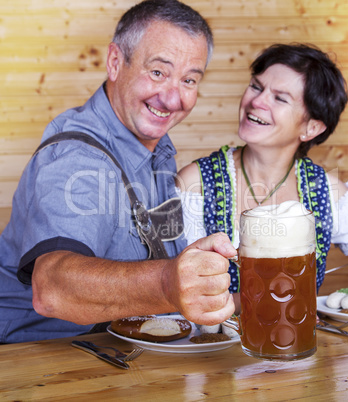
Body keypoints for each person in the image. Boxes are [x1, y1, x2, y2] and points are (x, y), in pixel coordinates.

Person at [0, 0, 237, 344]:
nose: (173, 98)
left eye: (188, 79)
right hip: (41, 363)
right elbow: (51, 288)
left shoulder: (155, 147)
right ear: (115, 62)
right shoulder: (78, 157)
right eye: (158, 72)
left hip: (124, 356)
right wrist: (167, 283)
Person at [176, 43, 348, 305]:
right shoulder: (196, 183)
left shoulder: (327, 192)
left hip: (295, 344)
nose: (257, 101)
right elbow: (174, 294)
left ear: (311, 128)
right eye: (256, 87)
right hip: (213, 345)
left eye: (280, 98)